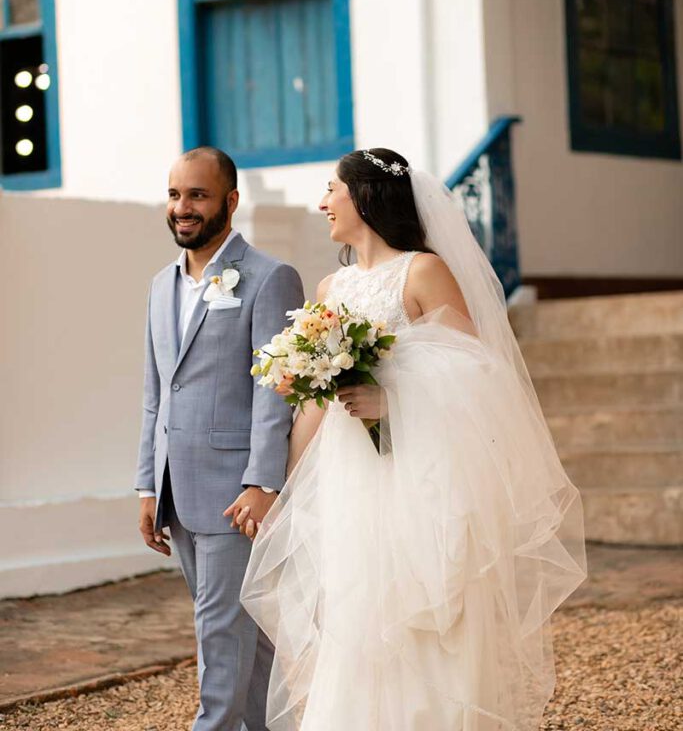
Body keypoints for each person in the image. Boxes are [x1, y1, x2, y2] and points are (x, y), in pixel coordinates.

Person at [240, 148, 587, 731]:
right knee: (356, 615)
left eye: (331, 189)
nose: (322, 203)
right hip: (351, 484)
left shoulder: (423, 272)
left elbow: (481, 379)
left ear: (365, 196)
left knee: (424, 618)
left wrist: (391, 401)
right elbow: (316, 407)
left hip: (420, 482)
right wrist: (281, 492)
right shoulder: (330, 287)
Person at [135, 147, 304, 731]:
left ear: (230, 201)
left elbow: (274, 391)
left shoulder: (270, 277)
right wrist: (147, 486)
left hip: (236, 494)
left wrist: (262, 482)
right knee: (243, 632)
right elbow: (156, 393)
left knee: (219, 630)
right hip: (176, 488)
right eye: (175, 195)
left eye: (198, 196)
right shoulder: (160, 285)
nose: (183, 208)